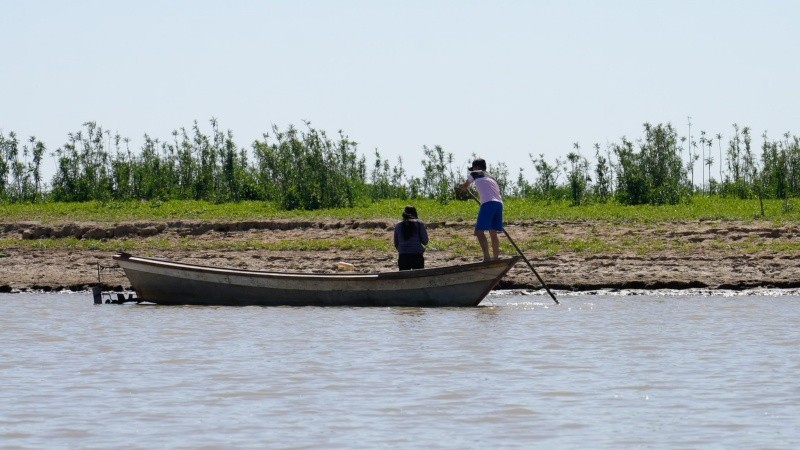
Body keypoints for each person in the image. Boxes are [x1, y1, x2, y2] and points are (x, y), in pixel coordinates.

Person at [459, 158, 503, 261]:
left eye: (473, 167)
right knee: (493, 232)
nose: (472, 170)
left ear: (477, 167)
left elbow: (465, 185)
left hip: (488, 203)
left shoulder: (475, 173)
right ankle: (495, 257)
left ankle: (487, 258)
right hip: (499, 204)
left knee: (479, 232)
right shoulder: (492, 177)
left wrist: (462, 186)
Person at [393, 205, 429, 270]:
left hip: (403, 257)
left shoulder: (398, 225)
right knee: (418, 278)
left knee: (404, 278)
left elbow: (396, 243)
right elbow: (425, 241)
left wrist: (403, 250)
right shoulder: (419, 224)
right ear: (415, 213)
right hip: (417, 256)